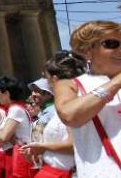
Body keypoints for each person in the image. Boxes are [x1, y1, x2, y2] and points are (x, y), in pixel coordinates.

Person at [53, 21, 121, 177]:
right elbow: (70, 116)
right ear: (88, 51)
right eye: (112, 44)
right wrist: (116, 82)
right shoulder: (71, 85)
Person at [21, 51, 80, 178]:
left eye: (46, 78)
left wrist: (41, 147)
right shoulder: (63, 107)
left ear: (54, 79)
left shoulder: (70, 107)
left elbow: (74, 145)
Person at [0, 76, 33, 178]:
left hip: (17, 155)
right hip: (16, 154)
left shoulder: (15, 110)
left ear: (7, 93)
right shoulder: (15, 109)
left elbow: (3, 137)